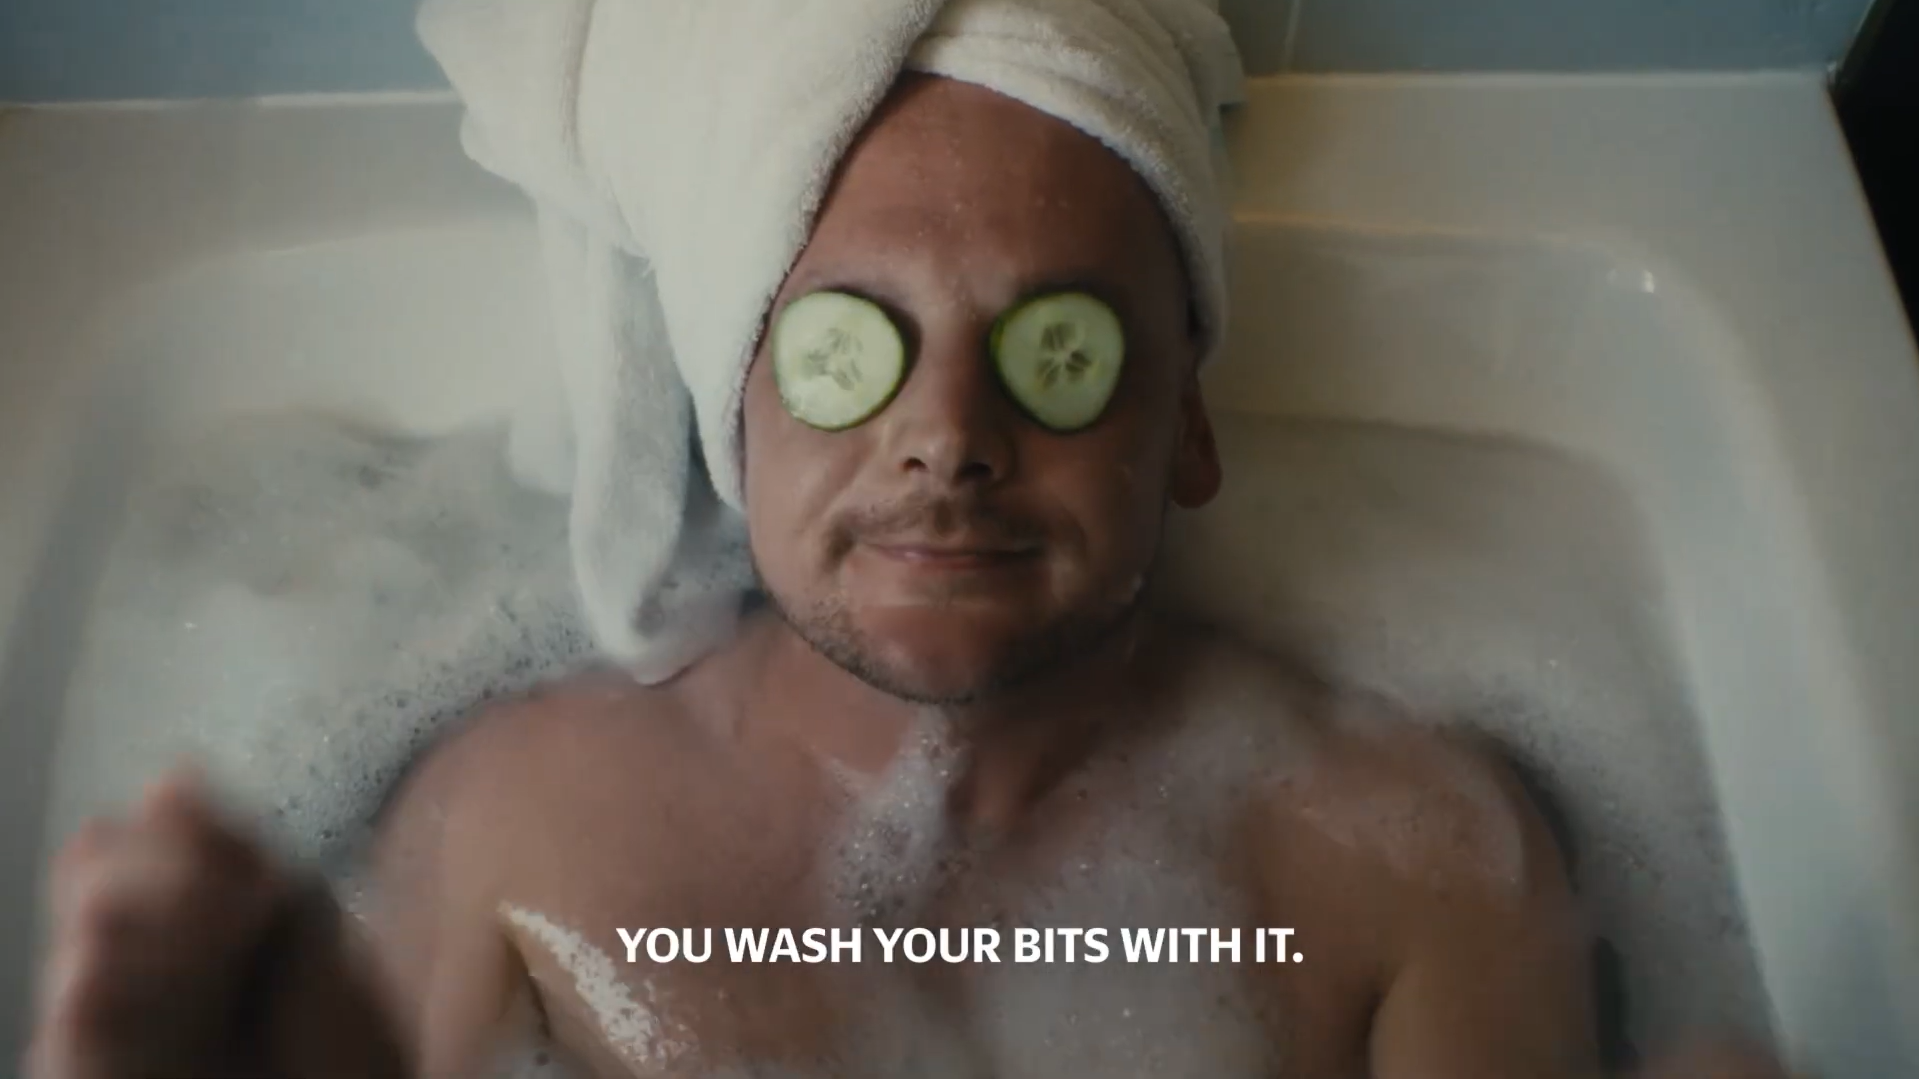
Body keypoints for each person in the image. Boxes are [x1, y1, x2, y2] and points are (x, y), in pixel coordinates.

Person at [26, 75, 1791, 1079]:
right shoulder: (522, 823)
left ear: (1181, 421)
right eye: (846, 354)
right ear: (736, 417)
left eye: (1056, 350)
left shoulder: (1413, 866)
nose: (946, 435)